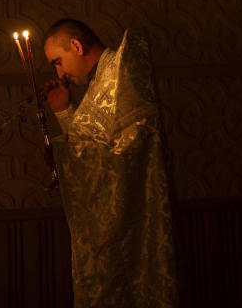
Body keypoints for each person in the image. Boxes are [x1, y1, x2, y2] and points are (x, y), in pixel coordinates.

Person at [42, 19, 178, 307]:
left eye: (58, 61)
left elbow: (130, 153)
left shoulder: (122, 70)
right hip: (106, 233)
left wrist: (72, 159)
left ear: (76, 46)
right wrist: (64, 111)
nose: (60, 73)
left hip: (129, 226)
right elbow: (90, 143)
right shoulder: (96, 88)